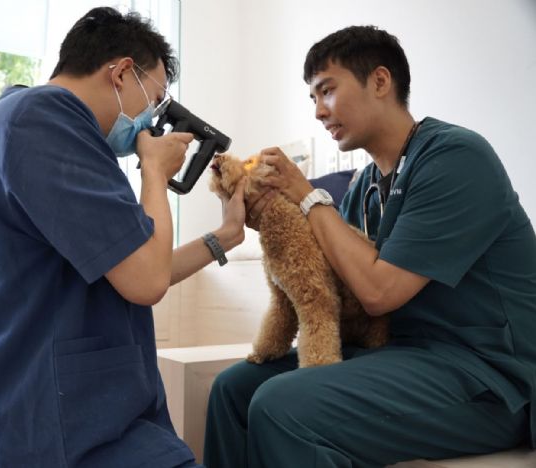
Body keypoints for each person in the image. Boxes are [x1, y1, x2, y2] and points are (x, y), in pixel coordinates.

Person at [203, 25, 536, 468]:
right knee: (233, 389)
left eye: (327, 91)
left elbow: (379, 293)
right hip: (403, 356)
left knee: (283, 406)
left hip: (490, 377)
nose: (319, 111)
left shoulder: (457, 158)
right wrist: (276, 223)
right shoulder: (364, 187)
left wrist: (306, 196)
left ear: (380, 81)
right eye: (312, 99)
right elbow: (337, 283)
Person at [0, 7, 245, 468]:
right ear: (121, 72)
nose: (150, 118)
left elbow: (132, 266)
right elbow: (146, 280)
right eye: (153, 98)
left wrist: (225, 236)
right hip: (70, 421)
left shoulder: (46, 128)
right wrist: (153, 170)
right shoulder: (44, 118)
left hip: (91, 406)